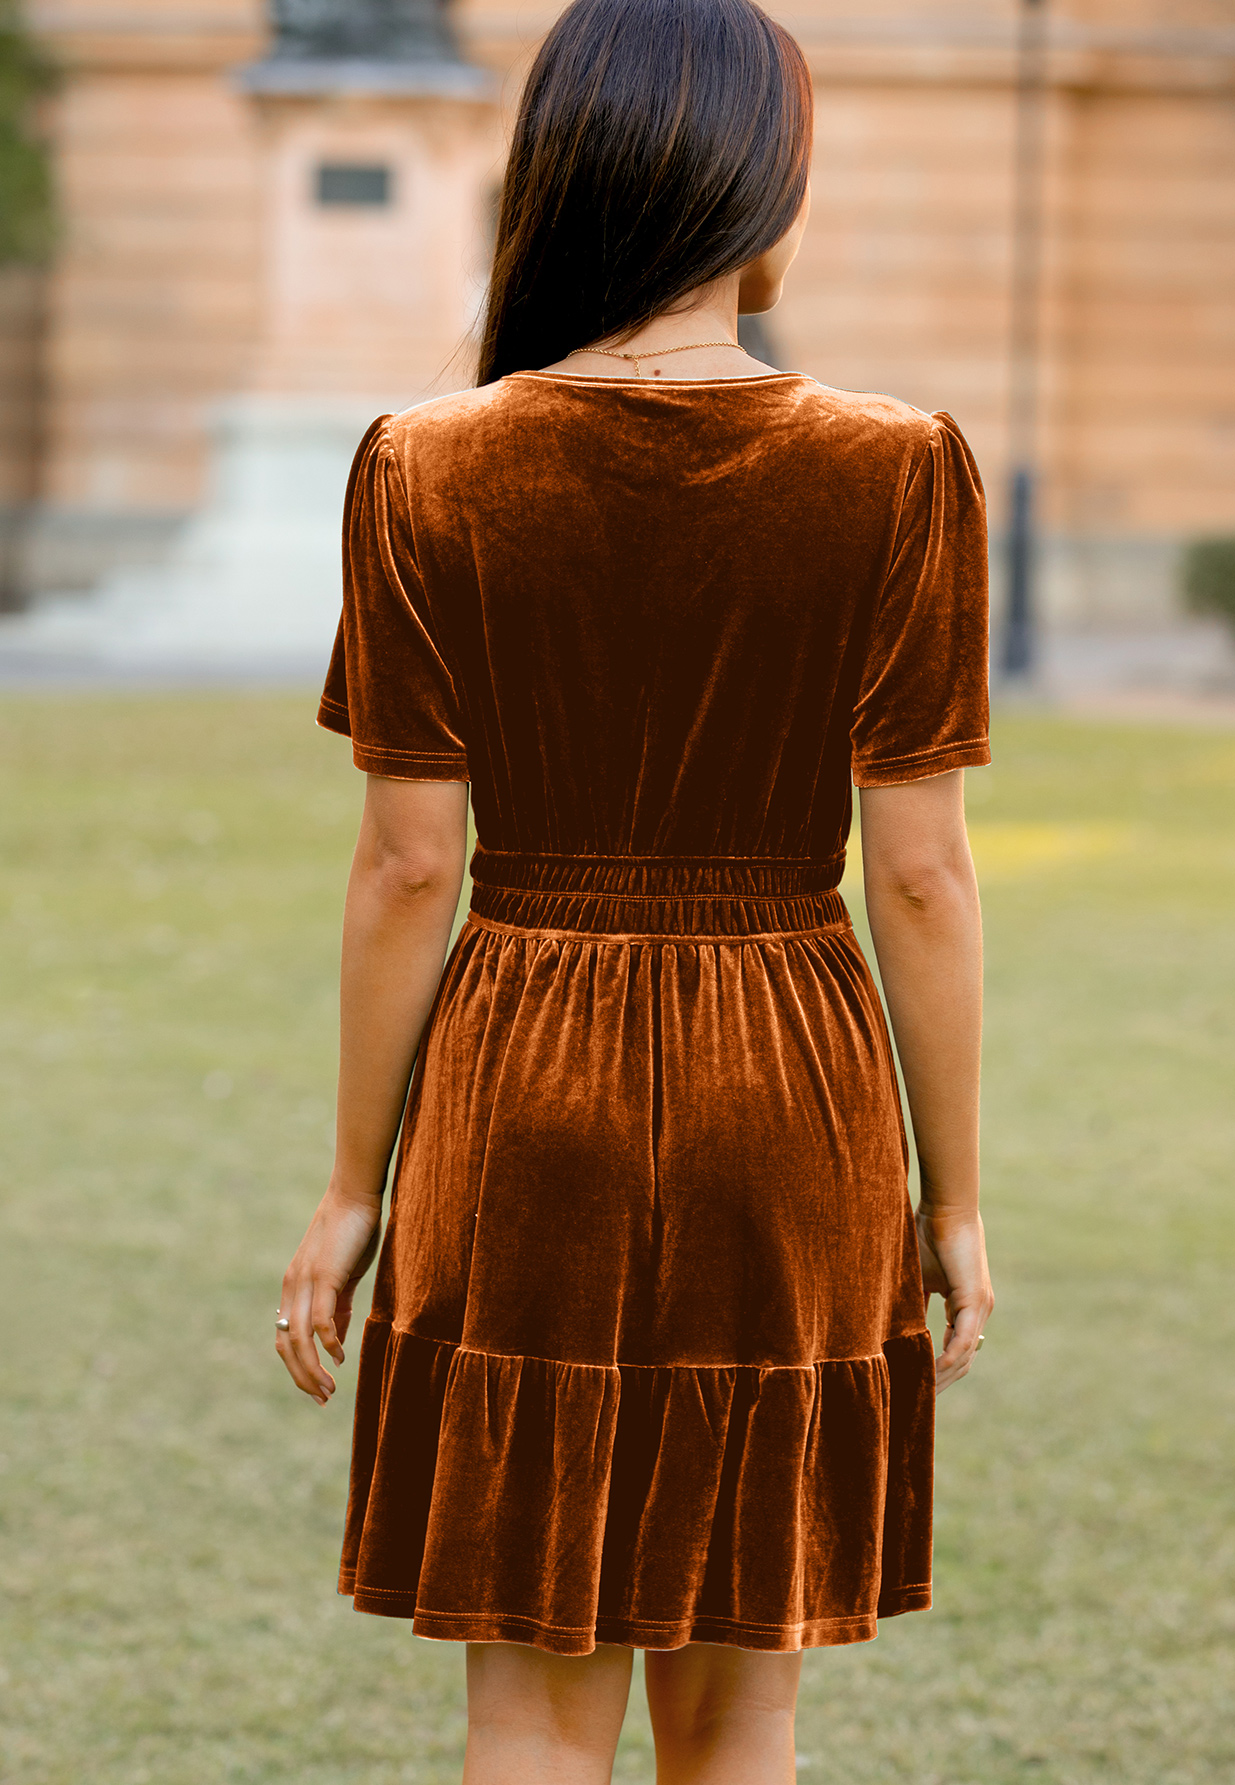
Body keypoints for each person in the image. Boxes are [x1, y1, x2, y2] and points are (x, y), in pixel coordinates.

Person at [275, 0, 994, 1777]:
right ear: (772, 192)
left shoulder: (427, 465)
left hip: (522, 1083)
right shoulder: (898, 470)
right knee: (746, 1681)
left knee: (529, 1683)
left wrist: (353, 1185)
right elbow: (918, 877)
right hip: (795, 1091)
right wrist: (954, 1194)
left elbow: (405, 864)